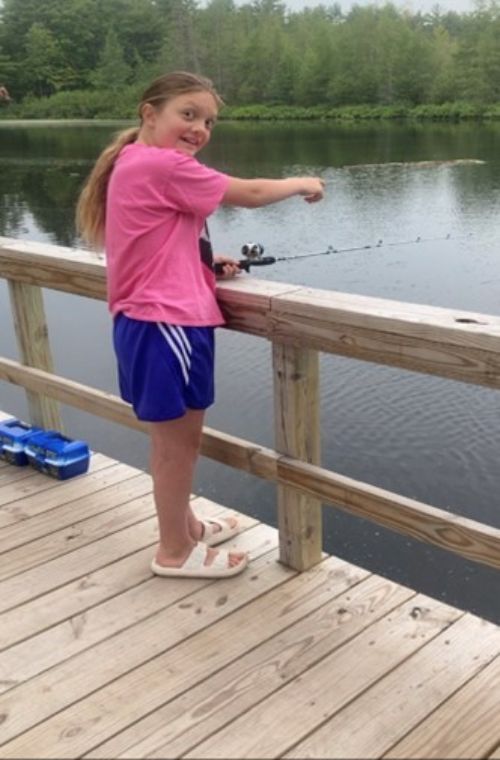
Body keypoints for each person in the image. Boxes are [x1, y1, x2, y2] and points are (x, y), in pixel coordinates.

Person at [76, 71, 324, 580]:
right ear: (150, 113)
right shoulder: (162, 164)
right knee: (177, 445)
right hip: (165, 323)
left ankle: (184, 529)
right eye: (187, 114)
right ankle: (173, 551)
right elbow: (251, 192)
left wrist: (206, 265)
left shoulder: (136, 161)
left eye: (208, 120)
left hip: (152, 319)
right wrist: (304, 182)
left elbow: (154, 241)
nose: (199, 128)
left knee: (173, 441)